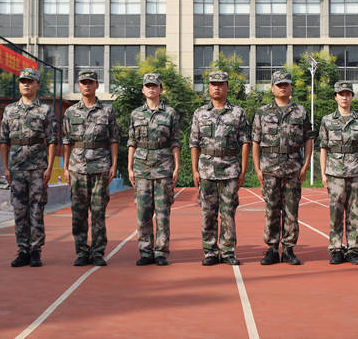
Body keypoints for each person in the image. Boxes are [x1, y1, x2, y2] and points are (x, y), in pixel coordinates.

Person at [251, 69, 314, 266]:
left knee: (291, 211)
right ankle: (271, 249)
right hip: (269, 169)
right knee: (271, 210)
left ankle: (288, 249)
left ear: (291, 87)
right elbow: (255, 141)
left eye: (286, 84)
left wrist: (306, 165)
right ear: (272, 88)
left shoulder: (300, 112)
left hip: (293, 168)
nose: (283, 87)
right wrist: (257, 169)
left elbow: (308, 139)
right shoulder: (262, 112)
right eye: (279, 85)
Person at [189, 70, 250, 266]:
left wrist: (243, 170)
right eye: (213, 84)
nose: (217, 87)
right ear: (209, 87)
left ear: (227, 87)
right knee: (208, 212)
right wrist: (195, 170)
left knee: (228, 213)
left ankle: (228, 251)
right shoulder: (200, 113)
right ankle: (210, 251)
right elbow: (194, 143)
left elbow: (245, 142)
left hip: (230, 169)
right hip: (206, 170)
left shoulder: (238, 113)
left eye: (221, 84)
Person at [0, 67, 57, 268]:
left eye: (30, 81)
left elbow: (52, 141)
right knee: (19, 210)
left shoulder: (45, 110)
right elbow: (4, 141)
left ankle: (35, 250)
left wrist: (49, 168)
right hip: (16, 168)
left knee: (36, 209)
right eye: (23, 81)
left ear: (37, 85)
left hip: (37, 167)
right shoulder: (9, 110)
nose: (26, 84)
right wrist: (5, 168)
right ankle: (22, 250)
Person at [62, 69, 120, 266]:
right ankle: (81, 251)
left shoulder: (107, 111)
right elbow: (67, 141)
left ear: (97, 85)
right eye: (83, 82)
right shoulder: (70, 112)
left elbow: (113, 139)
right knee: (78, 213)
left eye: (90, 82)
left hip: (100, 166)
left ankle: (97, 252)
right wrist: (65, 167)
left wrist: (113, 164)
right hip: (77, 168)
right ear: (79, 86)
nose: (87, 85)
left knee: (98, 212)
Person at [127, 73, 181, 266]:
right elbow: (132, 142)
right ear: (143, 90)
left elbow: (175, 141)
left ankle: (161, 252)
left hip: (163, 167)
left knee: (163, 212)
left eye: (154, 86)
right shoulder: (135, 114)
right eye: (148, 86)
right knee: (143, 213)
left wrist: (176, 166)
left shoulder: (170, 113)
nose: (151, 89)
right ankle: (145, 251)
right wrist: (129, 167)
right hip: (141, 168)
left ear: (160, 89)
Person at [318, 81, 358, 265]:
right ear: (335, 97)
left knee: (354, 212)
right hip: (335, 172)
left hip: (356, 170)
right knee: (336, 213)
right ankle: (336, 249)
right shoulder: (327, 120)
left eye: (348, 94)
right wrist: (323, 173)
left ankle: (353, 250)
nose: (345, 97)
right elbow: (323, 148)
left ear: (352, 97)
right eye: (341, 94)